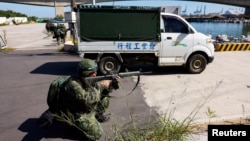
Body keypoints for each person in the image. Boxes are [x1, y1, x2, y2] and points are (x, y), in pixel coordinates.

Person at [37, 58, 120, 141]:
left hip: (85, 108)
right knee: (97, 134)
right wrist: (102, 85)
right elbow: (88, 99)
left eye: (95, 71)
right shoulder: (73, 84)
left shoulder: (88, 80)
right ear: (85, 73)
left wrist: (112, 84)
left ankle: (97, 116)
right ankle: (73, 124)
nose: (95, 74)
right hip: (76, 113)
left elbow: (101, 91)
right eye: (92, 72)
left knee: (105, 96)